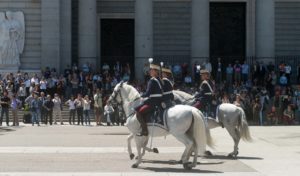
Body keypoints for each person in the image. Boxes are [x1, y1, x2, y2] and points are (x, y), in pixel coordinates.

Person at [135, 63, 163, 136]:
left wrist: (140, 95)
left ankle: (144, 131)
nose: (149, 71)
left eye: (151, 70)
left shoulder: (152, 80)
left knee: (138, 112)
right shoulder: (159, 79)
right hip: (158, 101)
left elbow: (148, 93)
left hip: (152, 102)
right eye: (150, 70)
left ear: (156, 71)